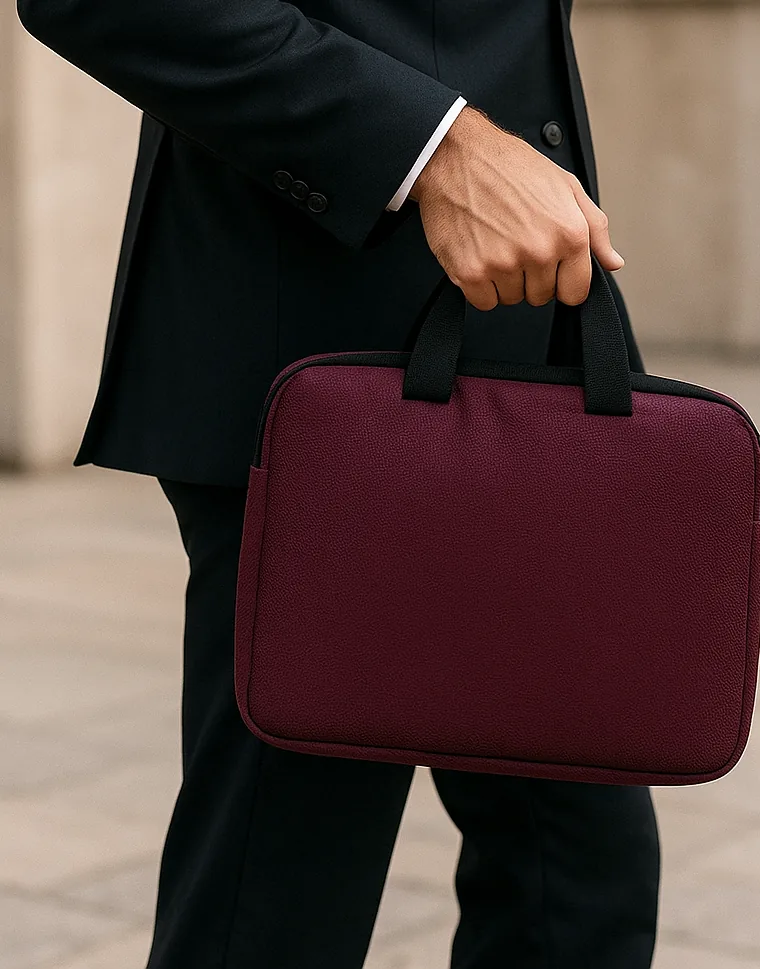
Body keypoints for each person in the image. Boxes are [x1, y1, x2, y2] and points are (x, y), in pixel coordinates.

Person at [16, 1, 660, 966]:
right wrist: (432, 148)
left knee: (578, 881)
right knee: (281, 903)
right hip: (318, 370)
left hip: (528, 349)